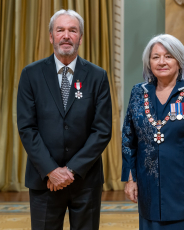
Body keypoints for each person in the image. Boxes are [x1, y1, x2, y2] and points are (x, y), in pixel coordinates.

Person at [17, 9, 112, 230]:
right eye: (60, 30)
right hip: (44, 181)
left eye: (72, 30)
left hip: (85, 179)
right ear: (51, 36)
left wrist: (71, 170)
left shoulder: (98, 76)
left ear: (80, 37)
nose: (66, 35)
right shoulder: (31, 74)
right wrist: (52, 170)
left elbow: (102, 129)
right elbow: (27, 127)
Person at [121, 34, 184, 230]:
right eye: (155, 57)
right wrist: (130, 179)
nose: (162, 62)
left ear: (179, 60)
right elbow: (128, 139)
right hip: (150, 190)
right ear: (149, 62)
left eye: (168, 56)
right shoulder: (138, 93)